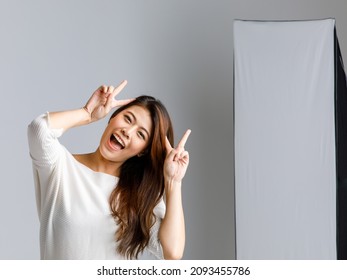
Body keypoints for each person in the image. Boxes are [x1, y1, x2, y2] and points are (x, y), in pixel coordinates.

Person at [27, 80, 191, 260]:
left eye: (140, 134)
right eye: (128, 119)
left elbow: (172, 253)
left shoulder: (141, 196)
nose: (127, 131)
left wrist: (174, 182)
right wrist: (87, 114)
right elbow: (39, 129)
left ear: (142, 150)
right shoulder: (60, 167)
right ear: (112, 117)